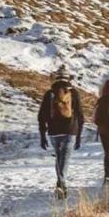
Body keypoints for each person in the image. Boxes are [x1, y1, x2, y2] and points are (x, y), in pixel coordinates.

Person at [38, 64, 84, 197]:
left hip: (53, 131)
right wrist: (79, 135)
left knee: (59, 158)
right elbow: (80, 115)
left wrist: (42, 135)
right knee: (65, 159)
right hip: (70, 130)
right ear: (68, 78)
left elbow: (42, 116)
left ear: (56, 78)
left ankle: (60, 184)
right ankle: (61, 184)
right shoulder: (74, 93)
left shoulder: (49, 94)